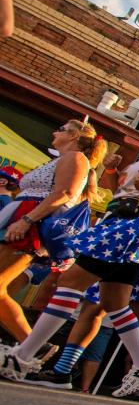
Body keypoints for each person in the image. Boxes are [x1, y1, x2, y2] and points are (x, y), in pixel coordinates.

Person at [0, 115, 139, 395]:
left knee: (71, 281)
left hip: (135, 223)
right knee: (113, 301)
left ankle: (23, 356)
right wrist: (111, 172)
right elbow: (120, 192)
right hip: (118, 219)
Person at [0, 119, 105, 362]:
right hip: (20, 219)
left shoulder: (76, 158)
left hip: (30, 224)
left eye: (61, 129)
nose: (55, 131)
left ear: (74, 137)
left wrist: (27, 220)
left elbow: (65, 193)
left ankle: (32, 348)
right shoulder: (62, 158)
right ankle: (34, 347)